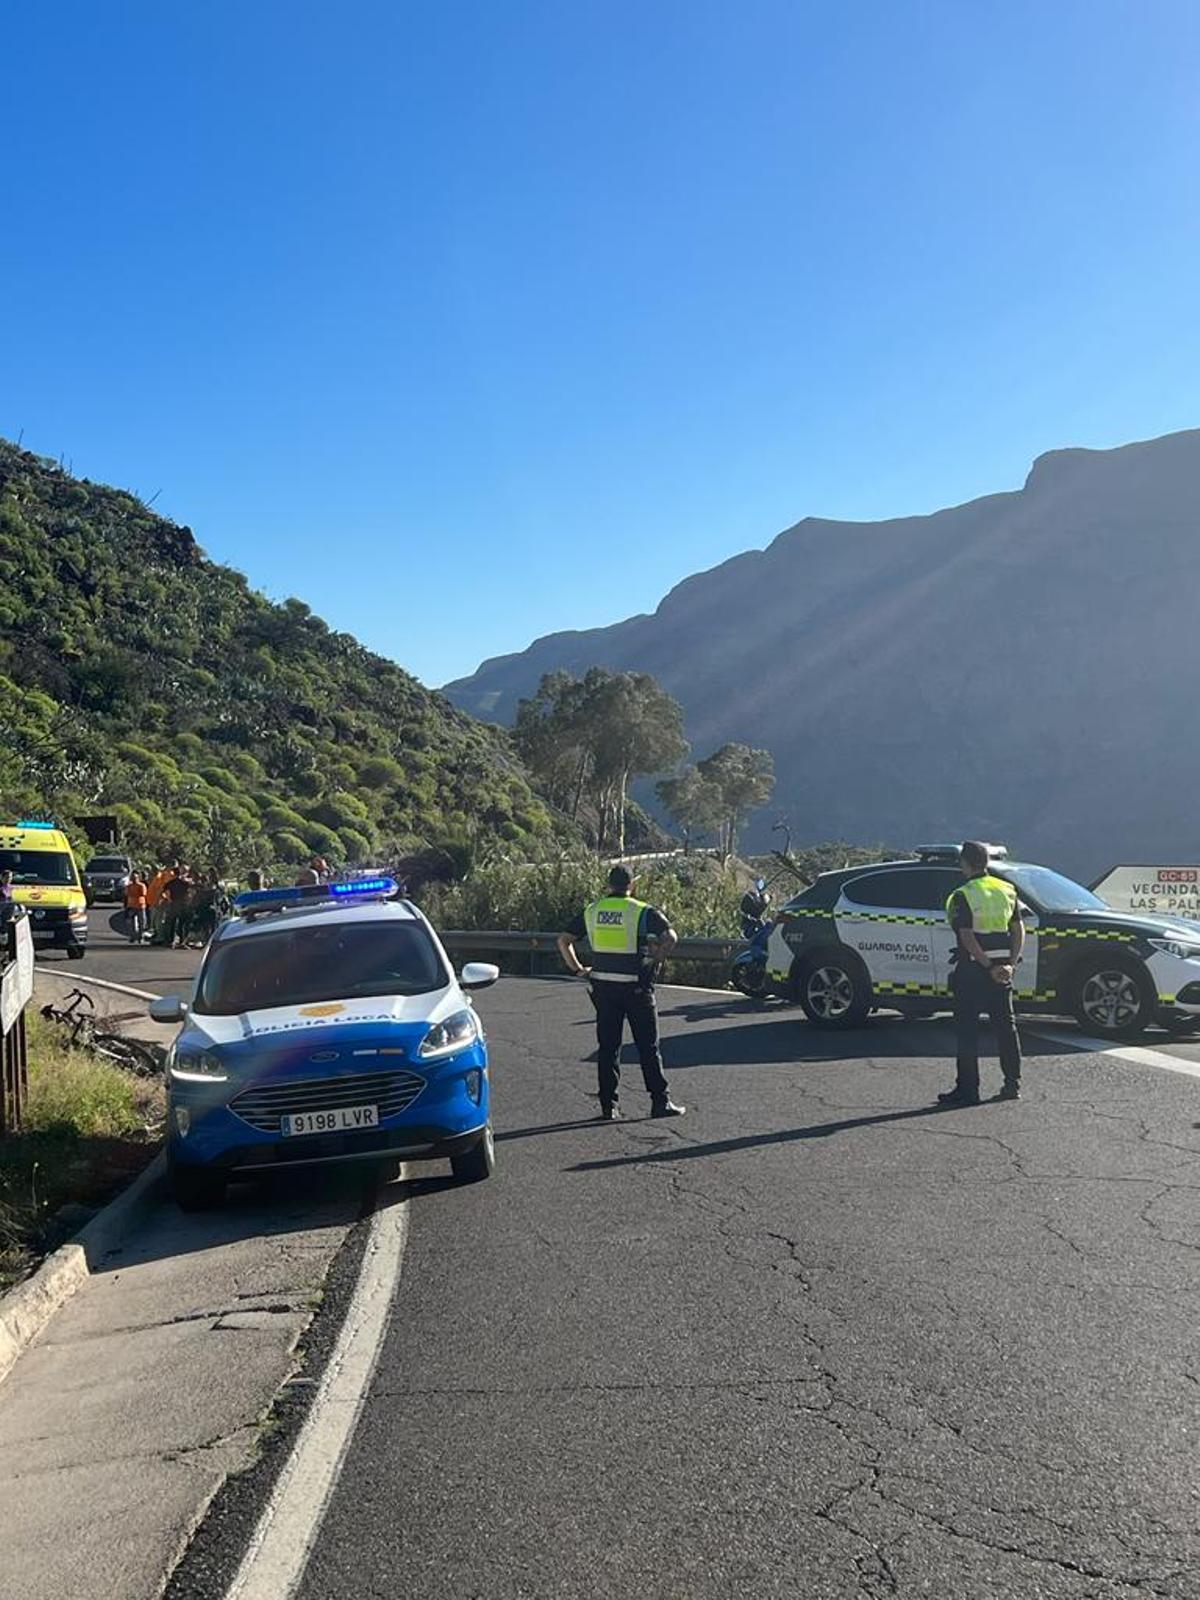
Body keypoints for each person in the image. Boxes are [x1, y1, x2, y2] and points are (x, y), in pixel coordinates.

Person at [557, 865, 686, 1121]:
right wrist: (655, 959)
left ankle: (609, 1107)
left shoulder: (593, 911)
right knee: (648, 1047)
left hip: (603, 988)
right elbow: (670, 937)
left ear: (608, 886)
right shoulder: (642, 911)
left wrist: (579, 969)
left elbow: (563, 940)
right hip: (636, 988)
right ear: (631, 885)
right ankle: (659, 1102)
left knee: (608, 1048)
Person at [939, 840, 1024, 1106]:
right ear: (987, 862)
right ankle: (1012, 1085)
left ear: (964, 863)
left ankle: (968, 1090)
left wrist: (986, 965)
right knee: (1006, 1029)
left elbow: (966, 936)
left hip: (974, 971)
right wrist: (1009, 964)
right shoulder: (1007, 889)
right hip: (1003, 971)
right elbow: (1019, 929)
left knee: (967, 1031)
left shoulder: (963, 894)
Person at [159, 866, 193, 948]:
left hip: (174, 903)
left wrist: (168, 899)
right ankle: (182, 941)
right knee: (182, 923)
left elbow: (163, 892)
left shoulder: (170, 883)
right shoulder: (184, 883)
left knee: (172, 923)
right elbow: (189, 892)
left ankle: (171, 941)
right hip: (182, 904)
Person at [124, 872, 149, 944]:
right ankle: (132, 936)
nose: (134, 879)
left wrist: (132, 893)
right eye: (132, 878)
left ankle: (141, 936)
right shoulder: (129, 886)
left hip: (140, 905)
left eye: (135, 878)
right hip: (131, 906)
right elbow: (126, 894)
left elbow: (143, 894)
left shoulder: (141, 885)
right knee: (131, 923)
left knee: (142, 922)